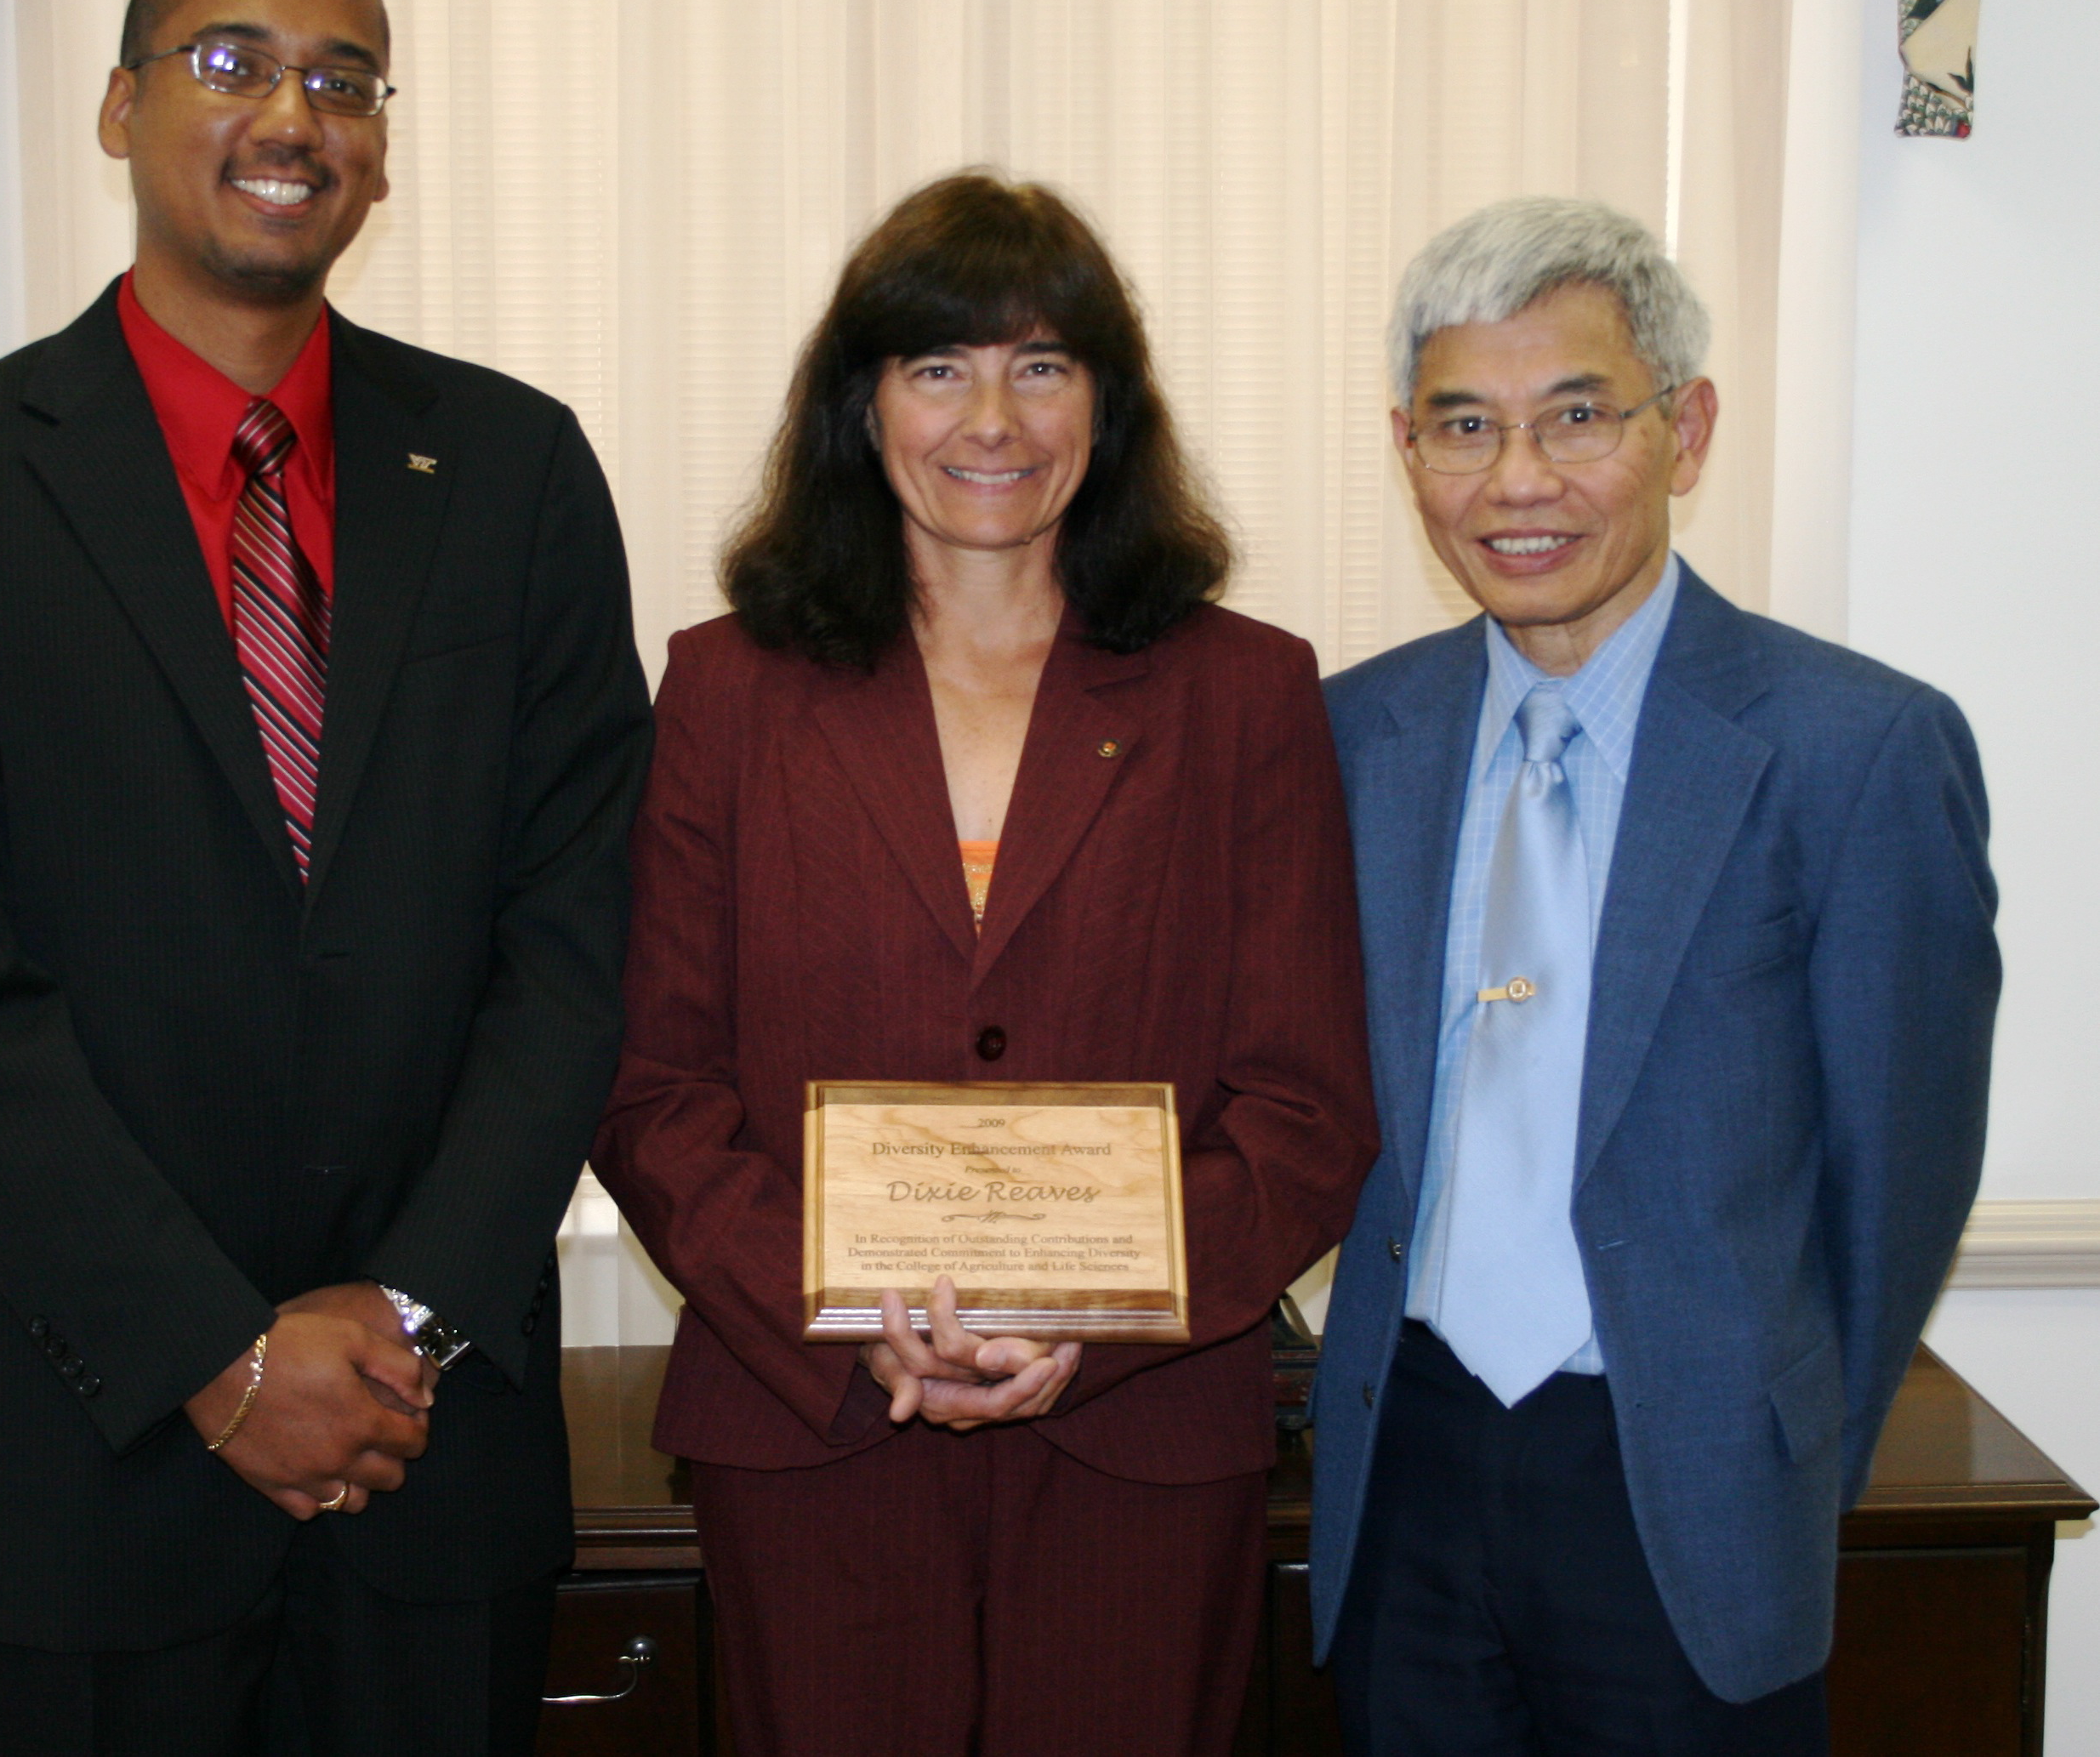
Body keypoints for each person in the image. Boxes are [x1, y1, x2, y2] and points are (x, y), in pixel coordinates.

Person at [0, 0, 649, 1757]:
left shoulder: (512, 471)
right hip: (89, 1451)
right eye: (231, 61)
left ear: (381, 145)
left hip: (430, 1460)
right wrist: (217, 1354)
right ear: (116, 109)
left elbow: (573, 939)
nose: (295, 109)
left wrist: (400, 1318)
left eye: (343, 78)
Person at [591, 171, 1379, 1756]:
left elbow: (1304, 1107)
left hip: (1142, 1431)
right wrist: (847, 1308)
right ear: (859, 401)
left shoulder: (1246, 693)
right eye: (936, 365)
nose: (991, 417)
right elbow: (653, 1084)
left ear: (1108, 399)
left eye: (1042, 364)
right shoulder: (725, 691)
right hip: (809, 1420)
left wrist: (1094, 1321)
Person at [1306, 196, 2000, 1753]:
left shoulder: (1852, 748)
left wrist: (1762, 1441)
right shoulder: (1351, 740)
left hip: (1680, 1480)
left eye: (1575, 417)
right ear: (1404, 448)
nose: (1518, 481)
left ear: (1682, 431)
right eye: (1462, 426)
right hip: (1404, 1466)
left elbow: (1897, 1181)